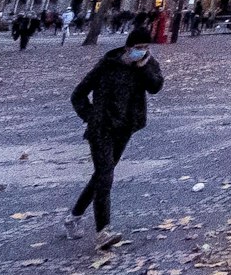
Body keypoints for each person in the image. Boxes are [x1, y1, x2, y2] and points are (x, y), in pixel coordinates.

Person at [65, 27, 163, 251]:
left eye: (147, 48)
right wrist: (91, 116)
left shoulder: (147, 64)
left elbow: (156, 86)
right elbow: (78, 94)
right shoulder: (107, 65)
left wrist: (144, 67)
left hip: (126, 127)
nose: (144, 51)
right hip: (101, 128)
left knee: (101, 175)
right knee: (106, 175)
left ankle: (74, 216)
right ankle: (103, 231)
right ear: (128, 48)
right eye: (139, 48)